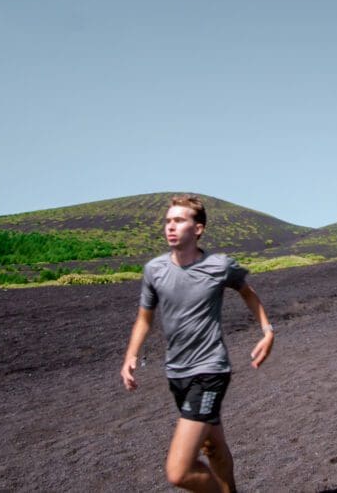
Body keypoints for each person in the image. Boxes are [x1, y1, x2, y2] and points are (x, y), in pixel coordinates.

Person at [121, 195, 274, 493]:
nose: (170, 227)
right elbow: (144, 319)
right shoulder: (154, 270)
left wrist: (268, 330)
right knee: (212, 445)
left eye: (179, 220)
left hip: (210, 371)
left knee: (178, 472)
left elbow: (248, 292)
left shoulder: (219, 266)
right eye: (168, 221)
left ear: (198, 228)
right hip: (177, 372)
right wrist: (131, 355)